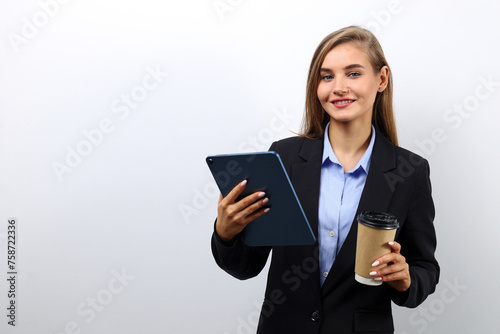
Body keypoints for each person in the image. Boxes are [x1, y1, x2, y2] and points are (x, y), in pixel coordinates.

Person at [211, 26, 439, 334]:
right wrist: (226, 234)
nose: (338, 87)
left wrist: (407, 278)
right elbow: (246, 266)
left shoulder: (409, 171)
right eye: (327, 76)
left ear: (381, 79)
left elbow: (426, 267)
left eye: (354, 74)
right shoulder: (285, 158)